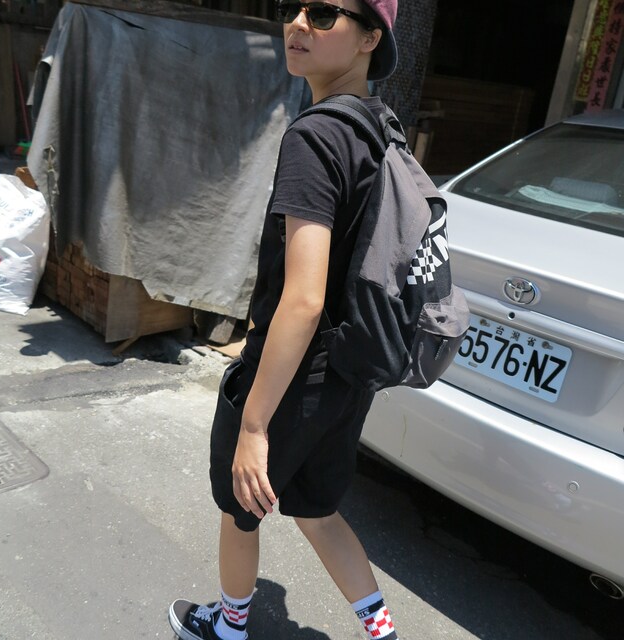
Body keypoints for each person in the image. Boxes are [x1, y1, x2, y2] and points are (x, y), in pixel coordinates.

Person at [169, 1, 400, 638]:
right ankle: (383, 633)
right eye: (294, 8)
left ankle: (229, 627)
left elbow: (303, 297)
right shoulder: (380, 127)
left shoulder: (316, 136)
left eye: (323, 14)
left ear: (369, 39)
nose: (298, 23)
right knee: (317, 510)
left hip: (291, 369)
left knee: (240, 507)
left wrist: (254, 424)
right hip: (348, 369)